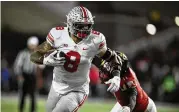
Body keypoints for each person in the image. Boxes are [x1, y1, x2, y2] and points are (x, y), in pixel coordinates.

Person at [30, 6, 121, 112]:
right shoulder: (58, 34)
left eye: (88, 26)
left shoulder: (95, 40)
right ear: (70, 23)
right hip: (56, 86)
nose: (85, 30)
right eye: (80, 26)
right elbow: (34, 56)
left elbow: (112, 58)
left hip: (78, 90)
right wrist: (46, 60)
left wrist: (116, 76)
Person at [14, 36, 43, 112]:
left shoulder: (38, 54)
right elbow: (18, 65)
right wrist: (19, 75)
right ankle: (21, 109)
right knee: (22, 95)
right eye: (31, 44)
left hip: (33, 76)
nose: (32, 46)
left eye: (34, 45)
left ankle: (32, 110)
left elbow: (42, 66)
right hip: (24, 75)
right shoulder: (23, 53)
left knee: (33, 96)